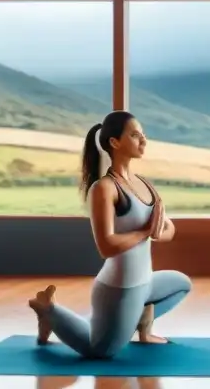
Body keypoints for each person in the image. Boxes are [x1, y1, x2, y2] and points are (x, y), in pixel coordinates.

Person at [27, 110, 193, 357]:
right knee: (100, 351)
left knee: (181, 284)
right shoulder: (104, 188)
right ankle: (49, 312)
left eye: (143, 135)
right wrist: (145, 232)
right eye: (135, 135)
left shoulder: (144, 184)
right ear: (115, 142)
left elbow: (168, 228)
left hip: (145, 283)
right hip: (120, 288)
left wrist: (156, 232)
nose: (143, 140)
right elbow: (106, 246)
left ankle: (143, 327)